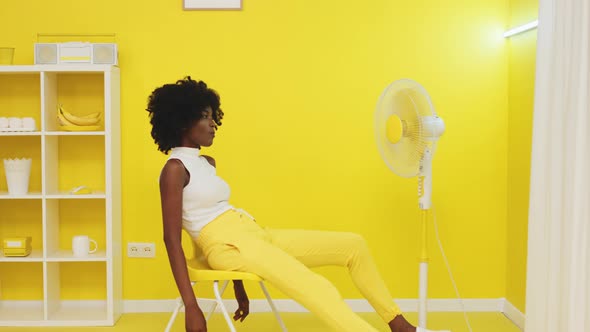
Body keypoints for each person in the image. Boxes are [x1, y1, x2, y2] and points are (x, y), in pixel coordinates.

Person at [147, 77, 450, 332]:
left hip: (250, 234)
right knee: (315, 286)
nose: (213, 124)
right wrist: (192, 304)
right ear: (183, 120)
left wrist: (238, 285)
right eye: (205, 116)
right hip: (227, 244)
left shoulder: (206, 163)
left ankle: (400, 325)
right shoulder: (174, 169)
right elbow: (172, 238)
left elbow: (207, 215)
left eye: (214, 116)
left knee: (353, 245)